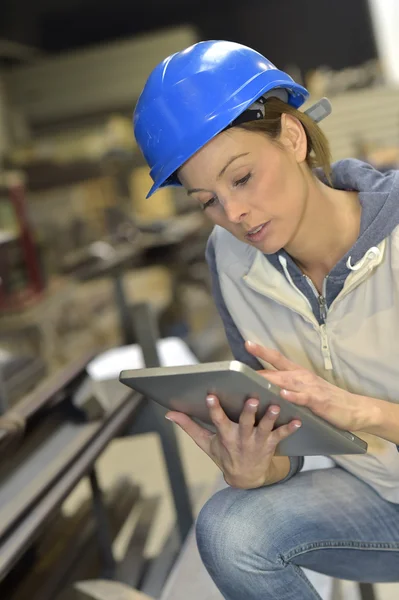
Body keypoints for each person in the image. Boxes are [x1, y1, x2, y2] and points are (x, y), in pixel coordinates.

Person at [133, 40, 399, 599]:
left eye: (242, 178)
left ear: (293, 138)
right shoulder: (229, 260)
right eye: (207, 200)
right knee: (232, 530)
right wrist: (257, 468)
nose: (233, 215)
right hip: (381, 501)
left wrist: (360, 412)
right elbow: (287, 450)